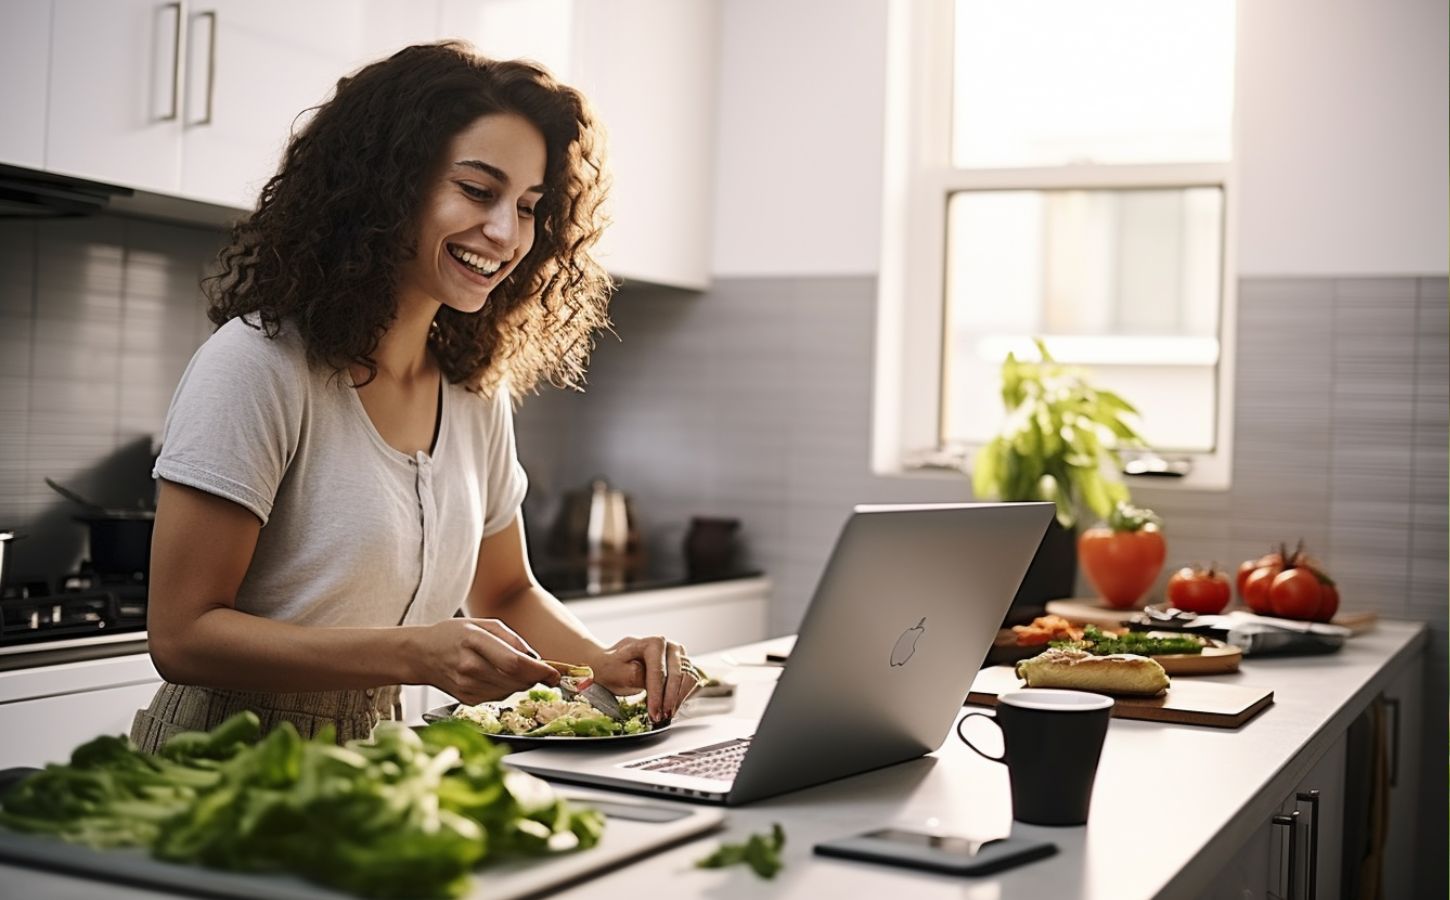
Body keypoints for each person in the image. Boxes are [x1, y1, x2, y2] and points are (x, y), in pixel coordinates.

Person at [130, 43, 700, 753]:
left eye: (528, 207)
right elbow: (183, 635)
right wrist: (414, 653)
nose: (505, 233)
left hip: (379, 759)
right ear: (386, 187)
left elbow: (505, 593)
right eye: (477, 189)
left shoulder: (473, 392)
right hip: (218, 764)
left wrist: (603, 662)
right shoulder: (259, 364)